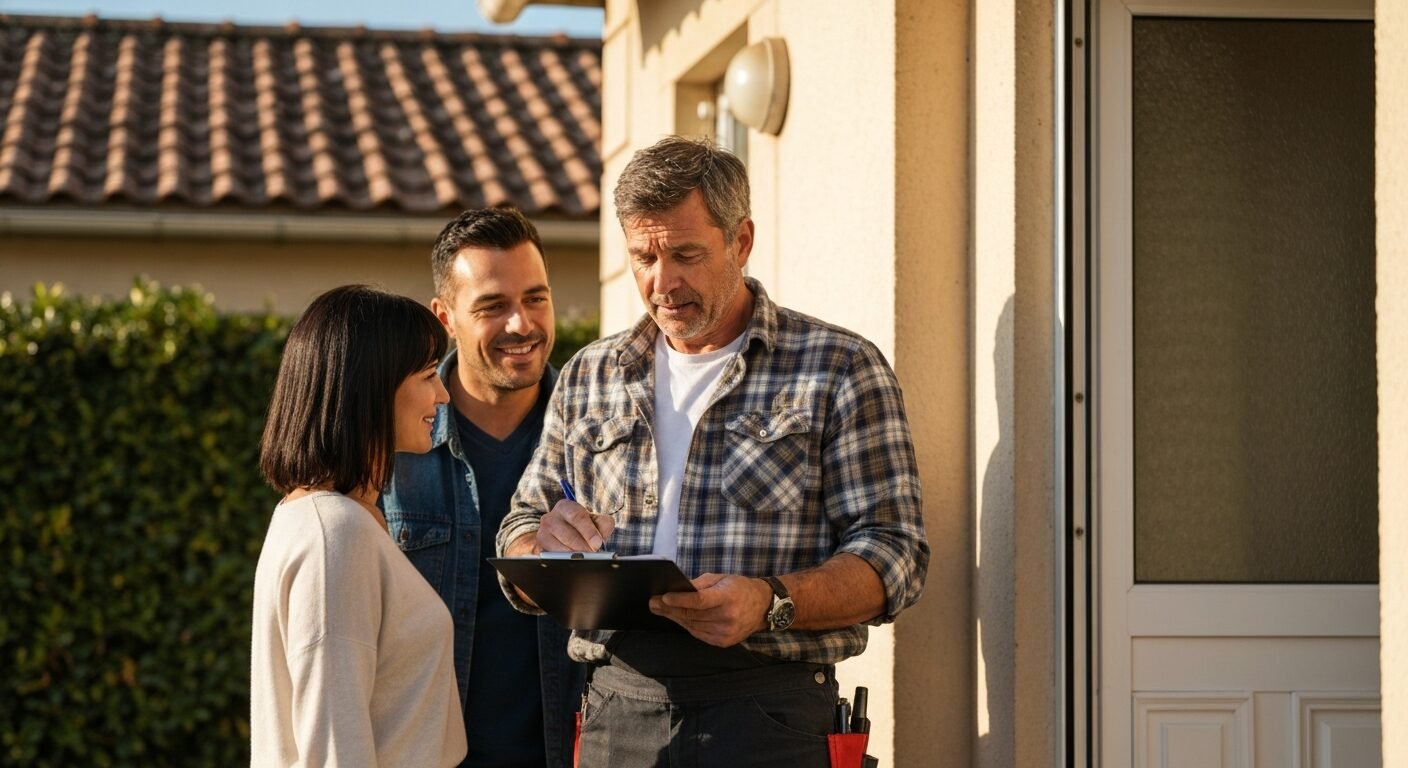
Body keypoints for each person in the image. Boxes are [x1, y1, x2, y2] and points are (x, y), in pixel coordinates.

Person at [496, 136, 930, 766]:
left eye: (685, 255)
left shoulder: (840, 367)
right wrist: (542, 547)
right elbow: (520, 527)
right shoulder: (589, 374)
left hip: (772, 717)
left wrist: (771, 603)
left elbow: (897, 553)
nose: (661, 282)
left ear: (742, 241)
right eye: (643, 256)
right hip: (616, 714)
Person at [380, 207, 586, 768]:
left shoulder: (602, 439)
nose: (522, 324)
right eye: (493, 307)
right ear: (445, 316)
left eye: (536, 298)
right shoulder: (388, 447)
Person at [251, 285, 464, 767]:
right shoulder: (335, 534)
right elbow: (333, 743)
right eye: (429, 375)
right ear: (372, 385)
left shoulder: (324, 518)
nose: (443, 393)